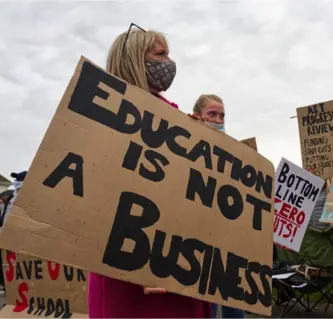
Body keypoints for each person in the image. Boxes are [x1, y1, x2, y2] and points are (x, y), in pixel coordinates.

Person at [88, 24, 211, 318]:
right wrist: (141, 262)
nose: (169, 63)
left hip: (179, 268)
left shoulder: (175, 118)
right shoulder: (107, 114)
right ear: (134, 59)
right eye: (161, 54)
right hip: (132, 273)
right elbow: (98, 197)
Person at [192, 94, 244, 319]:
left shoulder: (232, 152)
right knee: (206, 304)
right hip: (199, 238)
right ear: (198, 116)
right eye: (212, 114)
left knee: (233, 300)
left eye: (222, 115)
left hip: (228, 239)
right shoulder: (187, 145)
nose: (218, 119)